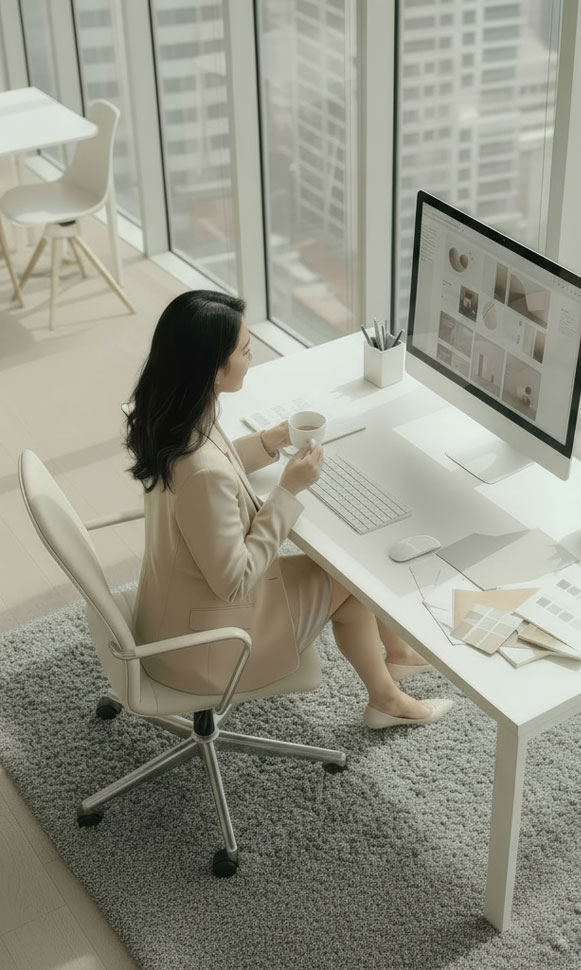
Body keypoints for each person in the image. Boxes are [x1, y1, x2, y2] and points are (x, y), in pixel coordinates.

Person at [126, 291, 453, 728]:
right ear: (213, 370)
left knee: (340, 579)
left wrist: (268, 442)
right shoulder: (202, 470)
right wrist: (288, 491)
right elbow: (234, 581)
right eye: (243, 350)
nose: (251, 355)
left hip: (167, 613)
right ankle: (390, 691)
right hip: (205, 646)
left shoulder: (170, 419)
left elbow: (209, 470)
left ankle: (394, 668)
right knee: (354, 580)